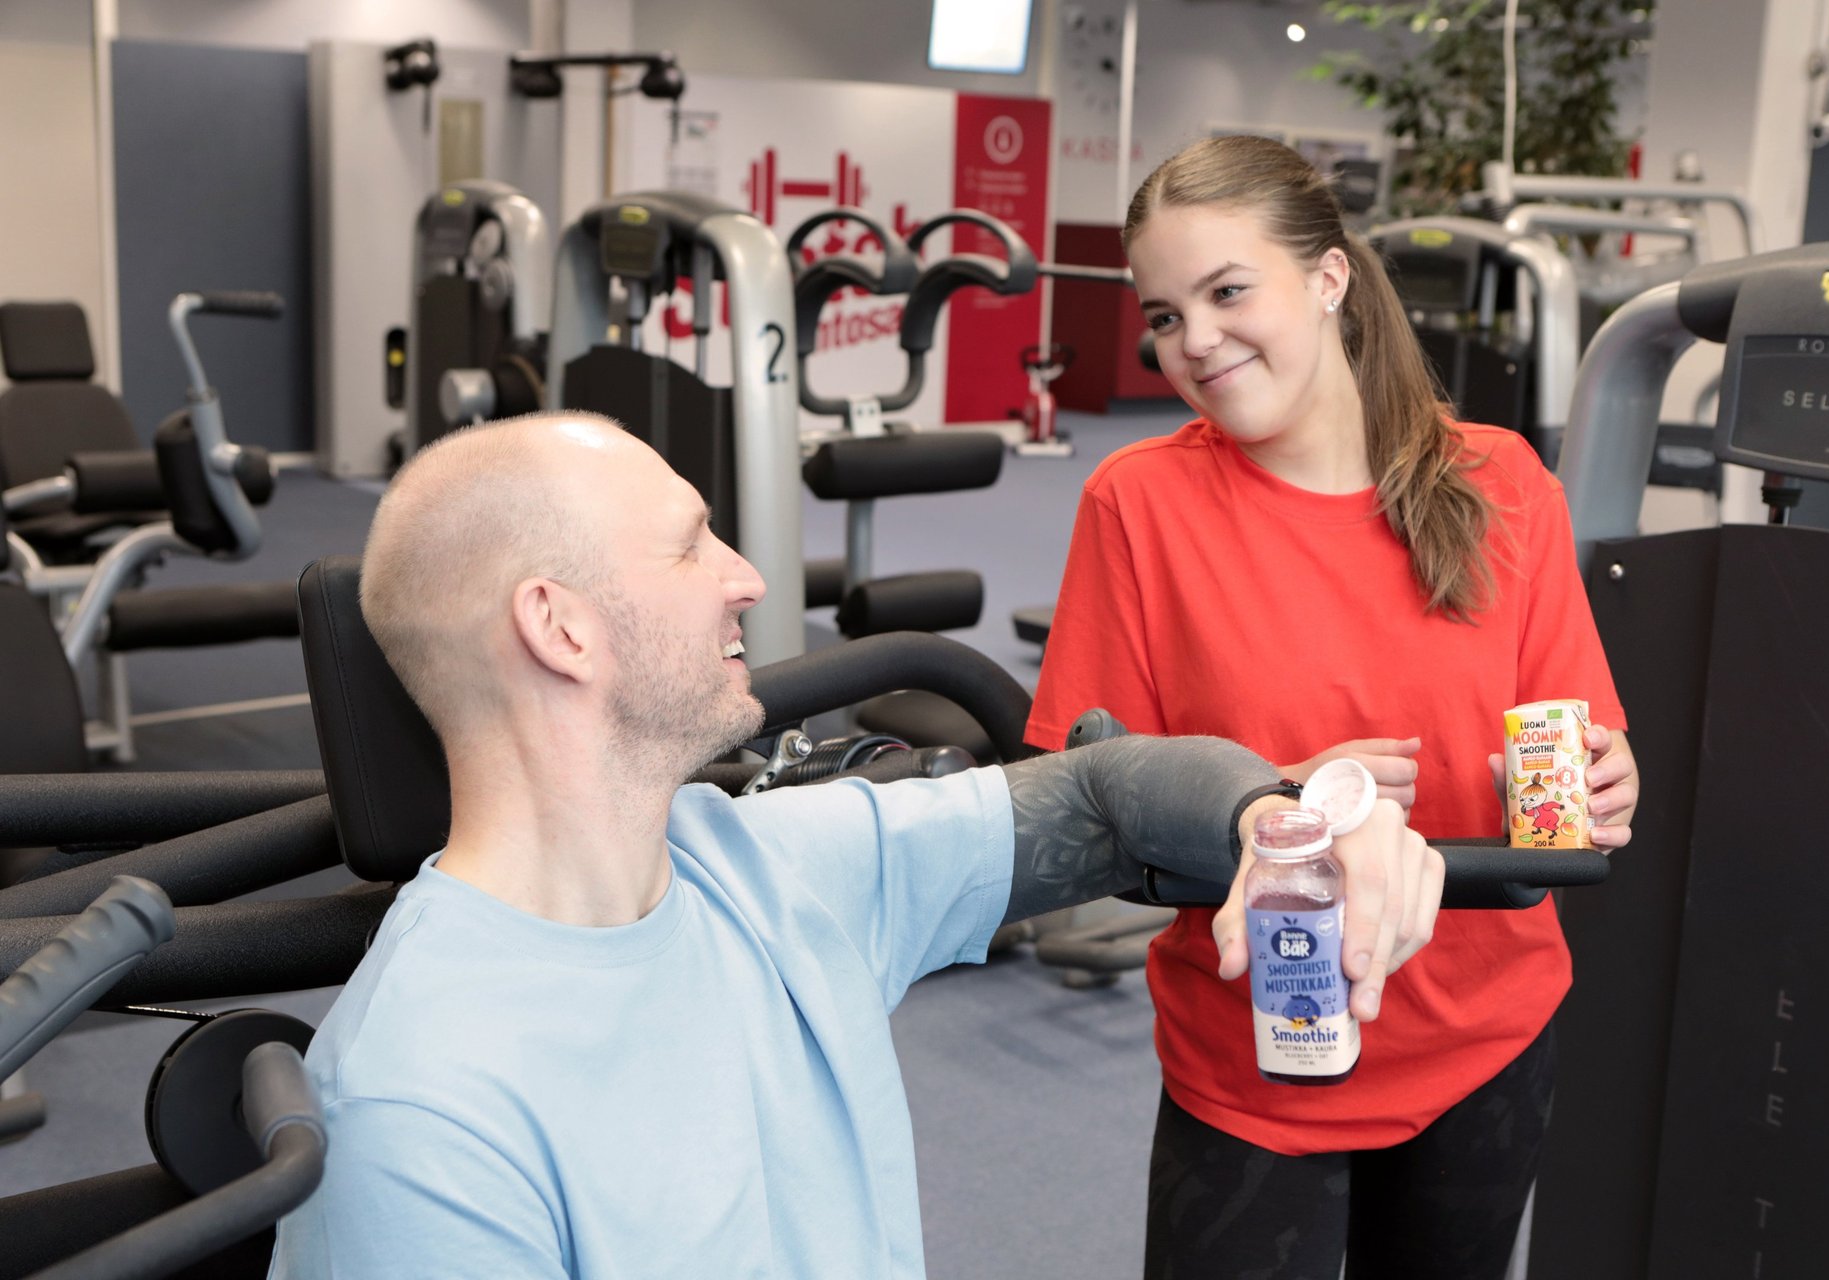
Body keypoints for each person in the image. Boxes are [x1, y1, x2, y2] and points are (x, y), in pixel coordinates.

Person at [266, 411, 1444, 1280]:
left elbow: (1103, 794)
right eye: (691, 545)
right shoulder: (421, 1108)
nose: (748, 575)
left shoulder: (776, 864)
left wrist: (1286, 825)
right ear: (560, 626)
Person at [1026, 135, 1642, 1280]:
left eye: (1226, 291)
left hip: (1486, 1035)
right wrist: (1274, 801)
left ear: (1328, 278)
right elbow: (1090, 811)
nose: (1192, 341)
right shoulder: (1140, 502)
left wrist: (1608, 778)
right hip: (1262, 1055)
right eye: (1163, 315)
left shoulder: (1502, 483)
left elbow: (1577, 744)